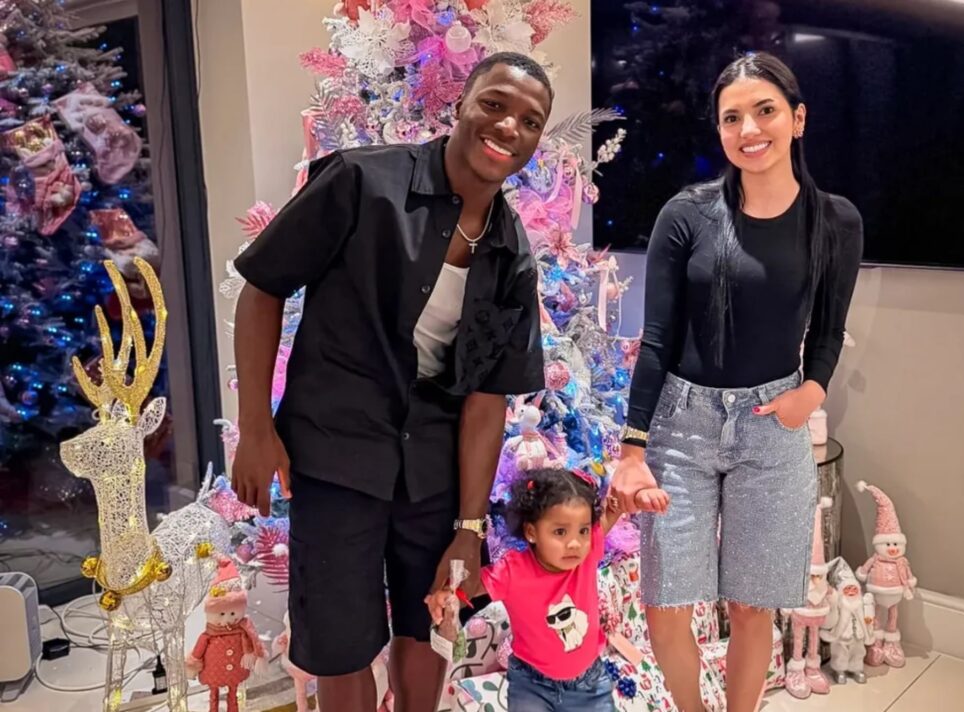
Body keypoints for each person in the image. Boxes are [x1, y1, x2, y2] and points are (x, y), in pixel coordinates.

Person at [229, 53, 553, 712]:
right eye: (494, 103)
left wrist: (469, 525)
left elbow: (489, 397)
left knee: (426, 621)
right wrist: (256, 430)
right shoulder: (360, 182)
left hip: (430, 468)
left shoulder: (511, 253)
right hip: (335, 451)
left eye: (530, 120)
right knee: (340, 641)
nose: (508, 126)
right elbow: (262, 287)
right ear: (461, 103)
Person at [610, 52, 863, 712]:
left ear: (797, 119)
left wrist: (811, 394)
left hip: (771, 429)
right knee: (668, 602)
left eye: (765, 110)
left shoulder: (835, 221)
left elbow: (830, 331)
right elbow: (658, 339)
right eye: (731, 118)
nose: (749, 128)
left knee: (753, 606)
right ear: (719, 131)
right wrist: (633, 448)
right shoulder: (687, 216)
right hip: (680, 427)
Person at [427, 468, 668, 711]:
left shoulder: (586, 553)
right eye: (560, 532)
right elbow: (471, 586)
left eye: (583, 530)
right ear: (531, 532)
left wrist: (636, 499)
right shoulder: (514, 570)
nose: (575, 543)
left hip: (589, 683)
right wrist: (449, 594)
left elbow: (610, 514)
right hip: (531, 684)